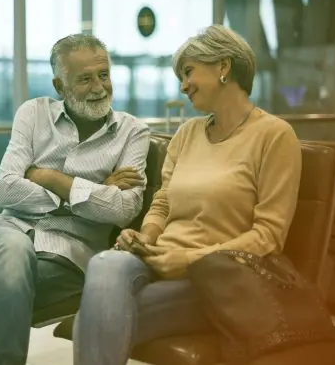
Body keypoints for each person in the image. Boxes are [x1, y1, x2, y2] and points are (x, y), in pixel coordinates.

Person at [73, 25, 302, 365]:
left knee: (93, 318)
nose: (183, 85)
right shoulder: (187, 133)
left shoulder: (274, 136)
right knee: (106, 264)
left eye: (189, 72)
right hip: (159, 257)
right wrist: (145, 235)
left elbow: (269, 237)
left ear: (223, 67)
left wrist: (192, 260)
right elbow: (163, 201)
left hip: (218, 279)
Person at [0, 34, 151, 365]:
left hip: (70, 253)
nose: (99, 87)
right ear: (59, 85)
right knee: (13, 252)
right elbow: (5, 189)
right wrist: (85, 193)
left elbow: (124, 208)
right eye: (84, 79)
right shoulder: (33, 114)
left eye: (104, 75)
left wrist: (50, 178)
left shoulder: (132, 132)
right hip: (9, 228)